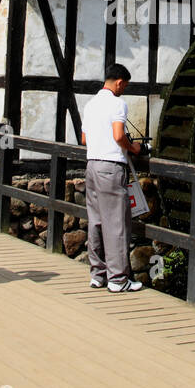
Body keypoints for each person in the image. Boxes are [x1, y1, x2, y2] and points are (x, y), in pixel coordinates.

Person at [80, 64, 145, 292]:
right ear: (119, 82)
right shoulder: (118, 104)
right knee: (116, 224)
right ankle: (118, 279)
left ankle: (98, 275)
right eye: (124, 85)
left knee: (96, 221)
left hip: (92, 165)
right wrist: (134, 148)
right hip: (111, 167)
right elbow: (118, 135)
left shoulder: (90, 104)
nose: (124, 90)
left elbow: (84, 139)